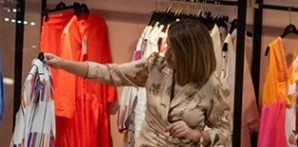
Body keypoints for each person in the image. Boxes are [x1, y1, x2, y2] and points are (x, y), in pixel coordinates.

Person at [40, 18, 232, 147]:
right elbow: (109, 73)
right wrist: (62, 63)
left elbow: (225, 132)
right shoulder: (155, 67)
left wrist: (196, 135)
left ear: (190, 55)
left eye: (174, 51)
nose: (166, 54)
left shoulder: (211, 87)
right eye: (168, 47)